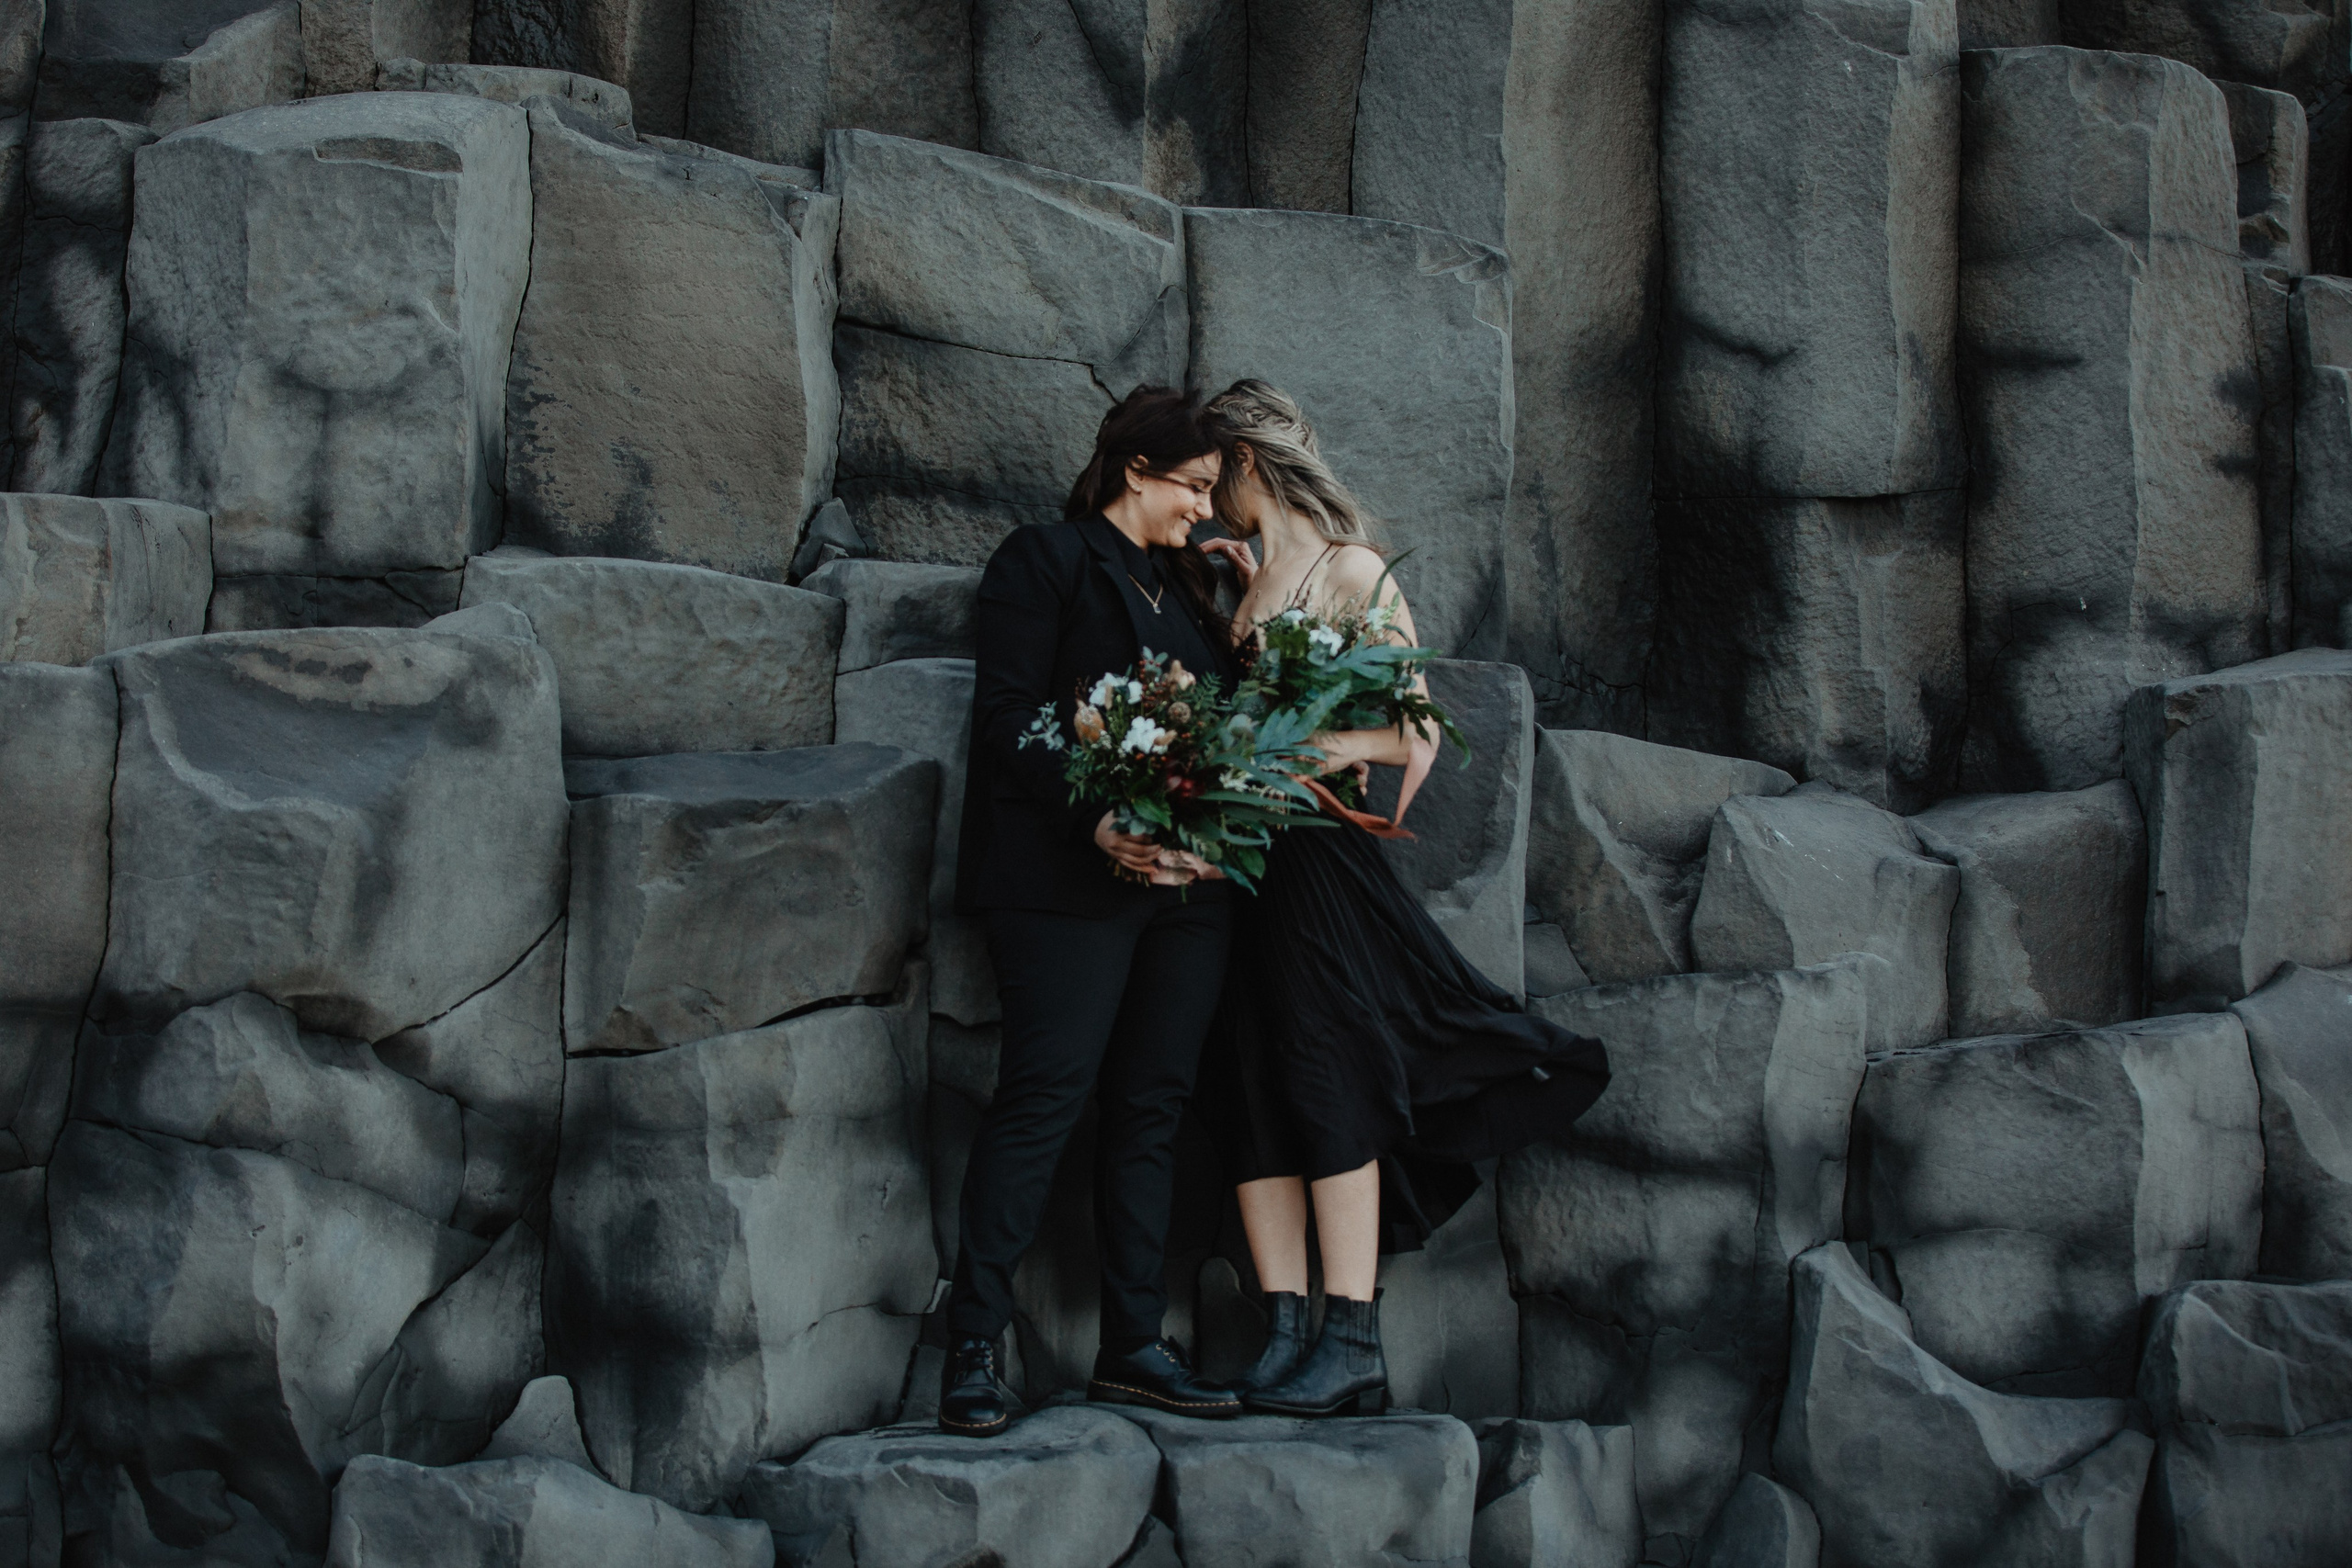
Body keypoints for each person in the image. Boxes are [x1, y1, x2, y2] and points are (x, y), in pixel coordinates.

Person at [1194, 379, 1611, 1418]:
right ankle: (1282, 1333)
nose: (1207, 496)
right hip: (1239, 865)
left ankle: (1351, 1336)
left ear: (1247, 461)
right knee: (1251, 1082)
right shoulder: (1244, 577)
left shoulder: (1351, 569)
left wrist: (1305, 749)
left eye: (1216, 474)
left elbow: (1411, 732)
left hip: (1316, 855)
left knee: (1328, 1078)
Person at [940, 386, 1246, 1436]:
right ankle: (972, 1345)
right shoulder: (1044, 560)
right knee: (1044, 1097)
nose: (1203, 513)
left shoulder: (1192, 589)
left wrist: (1244, 606)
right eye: (1194, 489)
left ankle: (1134, 1349)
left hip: (1186, 897)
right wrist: (1096, 818)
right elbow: (1009, 714)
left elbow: (1225, 736)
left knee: (1153, 1107)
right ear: (1137, 472)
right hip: (1067, 884)